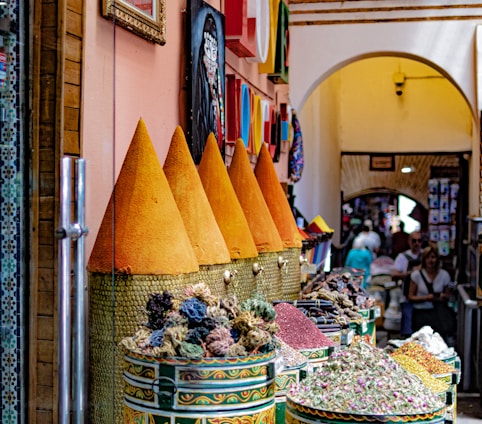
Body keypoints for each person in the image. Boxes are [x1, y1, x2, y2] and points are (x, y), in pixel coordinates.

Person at [408, 244, 456, 344]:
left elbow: (450, 291)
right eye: (428, 257)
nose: (430, 260)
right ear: (424, 259)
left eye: (433, 257)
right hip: (420, 314)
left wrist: (444, 296)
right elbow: (410, 296)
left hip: (438, 315)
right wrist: (425, 298)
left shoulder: (444, 275)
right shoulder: (416, 275)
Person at [392, 231, 423, 337]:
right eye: (414, 240)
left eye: (419, 240)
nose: (417, 243)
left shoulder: (426, 256)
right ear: (409, 242)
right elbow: (394, 274)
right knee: (407, 329)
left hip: (424, 298)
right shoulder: (402, 257)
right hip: (407, 297)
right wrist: (410, 273)